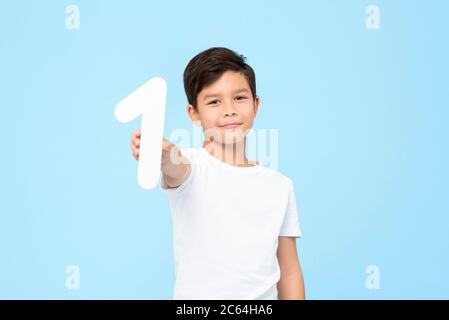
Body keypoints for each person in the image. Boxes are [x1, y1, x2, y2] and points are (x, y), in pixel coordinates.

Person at [130, 47, 305, 300]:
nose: (229, 110)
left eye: (240, 98)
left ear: (255, 105)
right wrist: (163, 153)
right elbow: (174, 164)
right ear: (194, 114)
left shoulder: (280, 186)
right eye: (214, 101)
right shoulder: (191, 166)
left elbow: (289, 272)